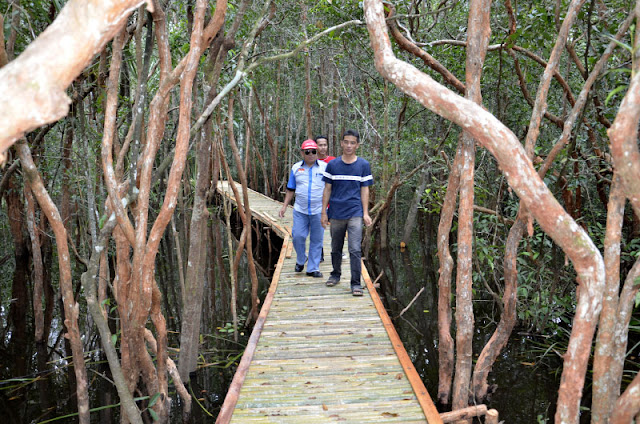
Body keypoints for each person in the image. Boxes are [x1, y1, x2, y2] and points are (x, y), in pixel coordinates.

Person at [321, 129, 373, 296]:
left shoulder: (363, 165)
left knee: (355, 249)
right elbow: (327, 189)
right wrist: (324, 212)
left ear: (357, 145)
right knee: (336, 247)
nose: (349, 145)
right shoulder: (333, 165)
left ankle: (356, 283)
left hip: (355, 212)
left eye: (353, 143)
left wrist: (365, 213)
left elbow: (365, 190)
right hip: (336, 212)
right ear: (341, 143)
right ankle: (335, 274)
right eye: (346, 142)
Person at [279, 139, 327, 278]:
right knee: (298, 236)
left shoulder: (324, 168)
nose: (311, 154)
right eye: (308, 152)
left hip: (318, 210)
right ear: (302, 153)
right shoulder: (296, 168)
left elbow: (330, 189)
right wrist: (284, 206)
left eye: (313, 151)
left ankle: (312, 268)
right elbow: (290, 189)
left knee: (317, 240)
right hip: (300, 210)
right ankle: (301, 259)